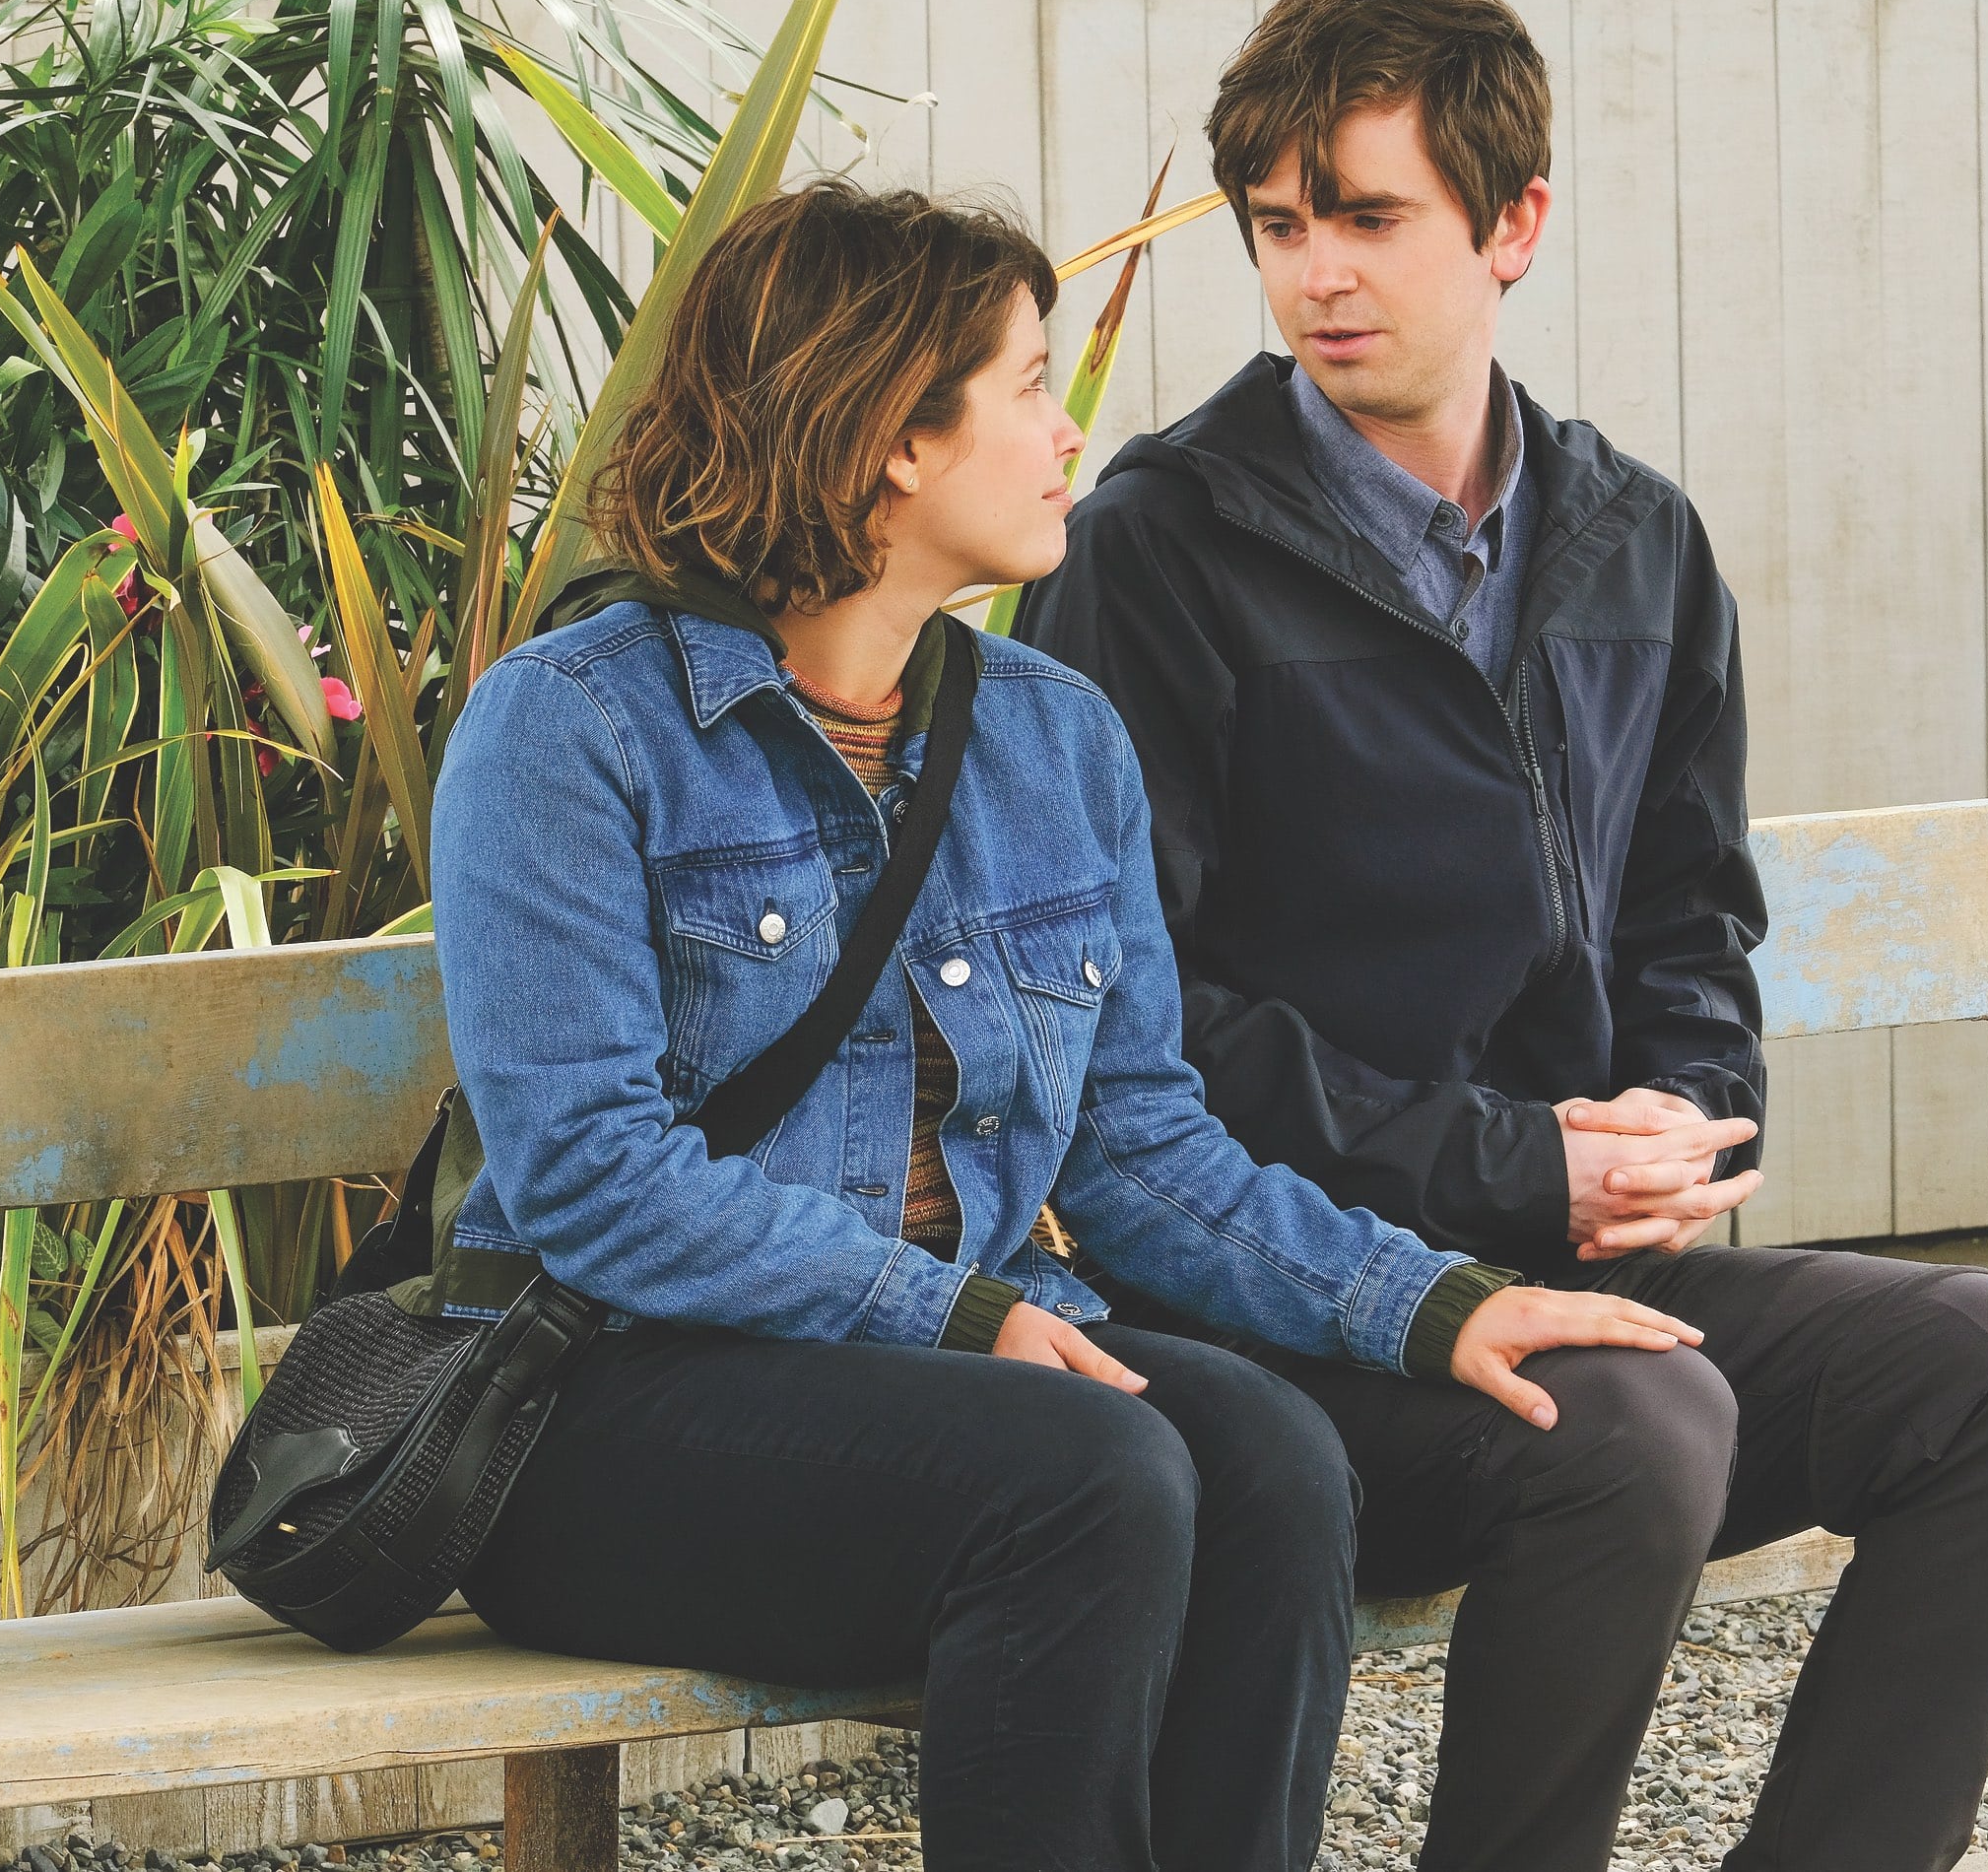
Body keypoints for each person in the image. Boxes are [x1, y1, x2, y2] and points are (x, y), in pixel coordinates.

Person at [429, 180, 1703, 1872]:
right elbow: (593, 1181)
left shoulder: (1051, 738)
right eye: (1028, 384)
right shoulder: (572, 728)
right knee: (1096, 1470)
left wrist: (1429, 1300)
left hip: (959, 1381)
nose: (1068, 429)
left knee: (1273, 1456)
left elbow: (1140, 1149)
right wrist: (958, 1315)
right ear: (892, 435)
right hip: (610, 1410)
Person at [1016, 0, 1988, 1872]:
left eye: (1369, 218)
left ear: (1513, 223)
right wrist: (1511, 1161)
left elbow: (1691, 917)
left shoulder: (1636, 539)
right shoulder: (1155, 551)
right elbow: (1143, 1020)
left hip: (1591, 1270)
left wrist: (1683, 1118)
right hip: (1297, 1311)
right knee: (1633, 1429)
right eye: (1277, 227)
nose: (1314, 277)